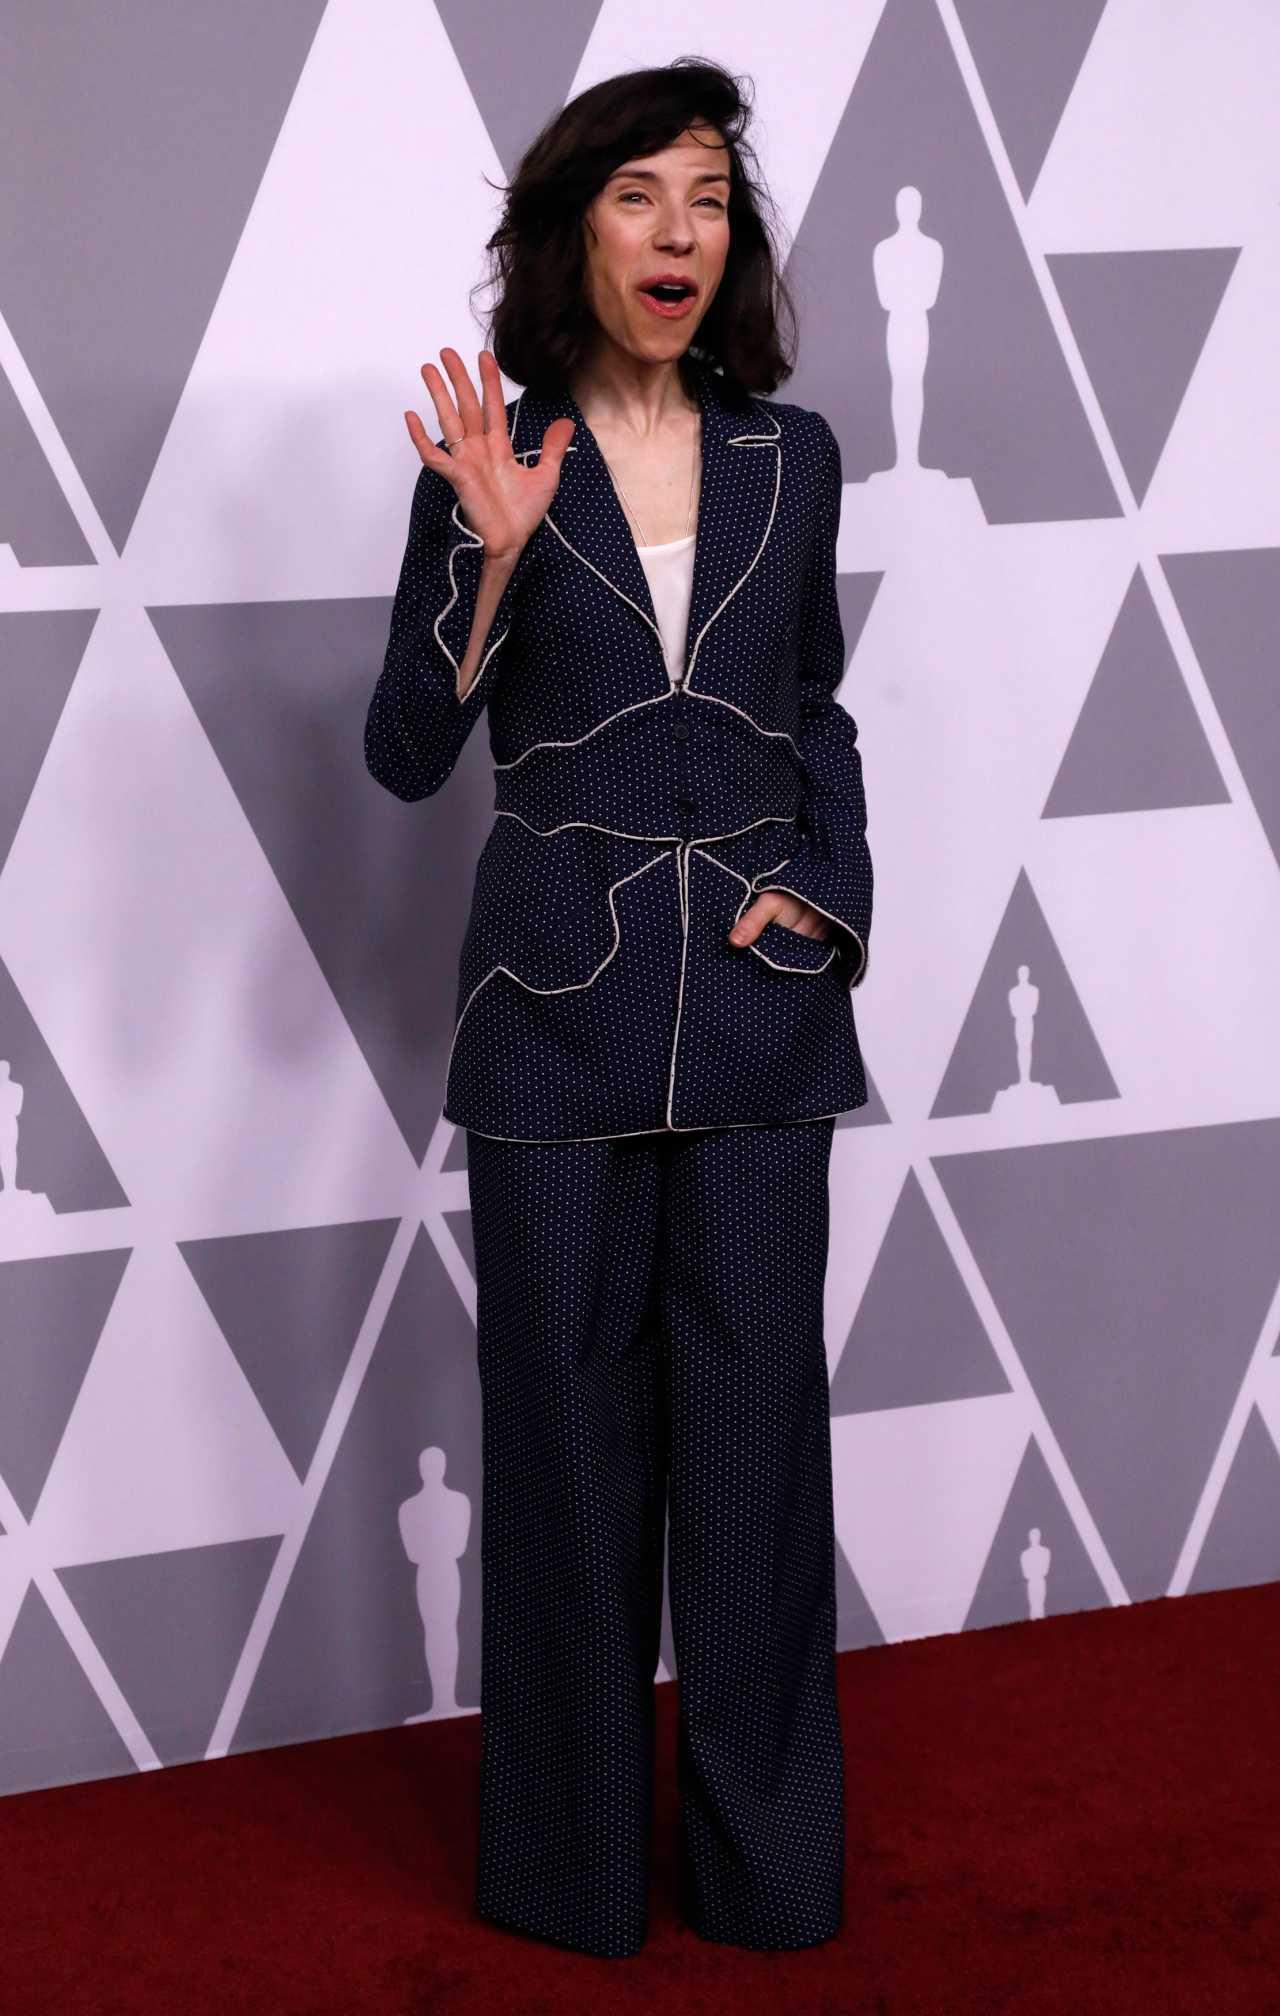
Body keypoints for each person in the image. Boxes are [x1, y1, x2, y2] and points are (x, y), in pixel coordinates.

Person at [364, 58, 873, 1960]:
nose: (679, 233)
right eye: (640, 195)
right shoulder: (493, 460)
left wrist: (824, 895)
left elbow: (815, 714)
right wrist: (486, 552)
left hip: (758, 1009)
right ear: (574, 228)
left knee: (755, 1469)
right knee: (566, 1470)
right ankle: (566, 1883)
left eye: (709, 200)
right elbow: (407, 753)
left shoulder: (792, 459)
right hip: (551, 1018)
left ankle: (769, 1879)